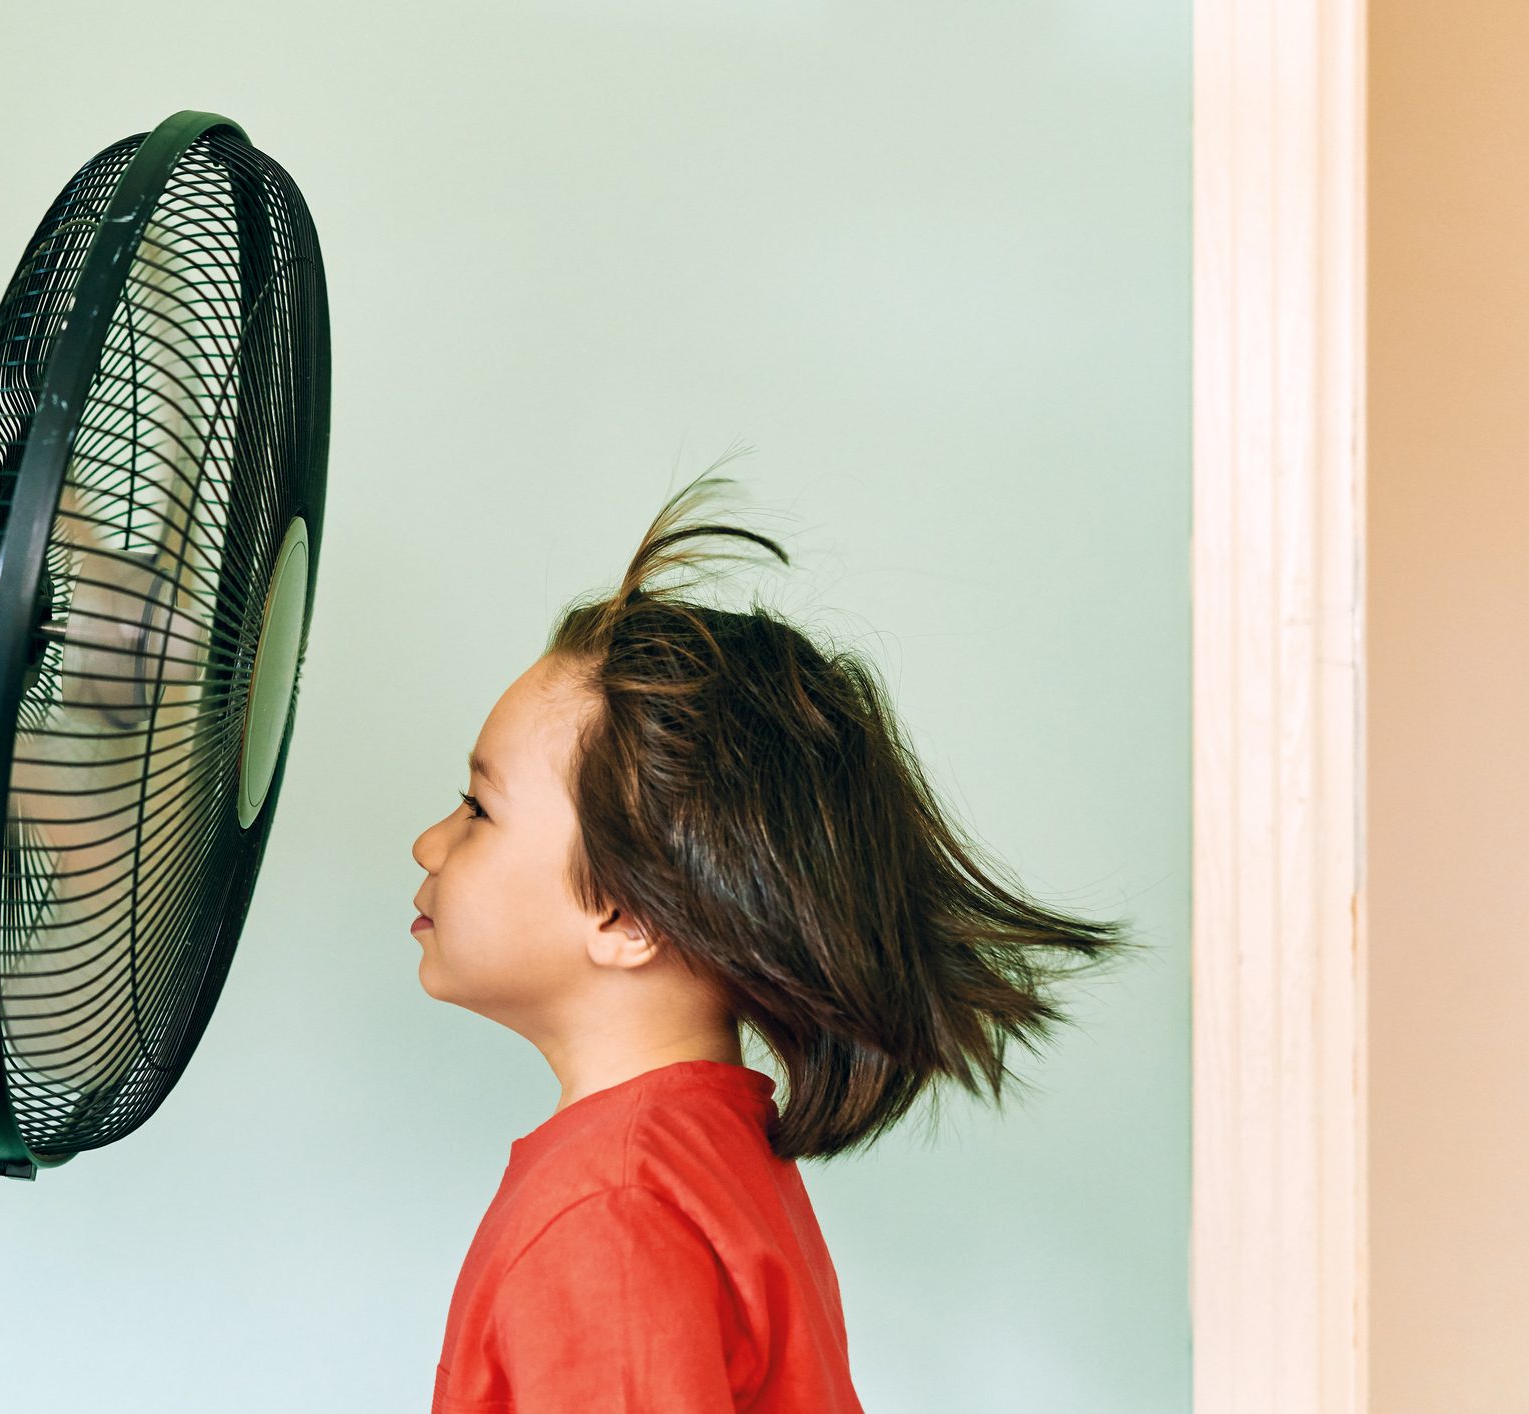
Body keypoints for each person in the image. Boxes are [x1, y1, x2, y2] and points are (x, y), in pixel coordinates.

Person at [410, 460, 1142, 1412]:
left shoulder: (612, 1205)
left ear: (626, 914)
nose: (429, 840)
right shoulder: (708, 1151)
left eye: (477, 807)